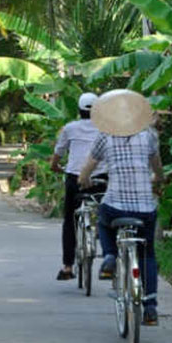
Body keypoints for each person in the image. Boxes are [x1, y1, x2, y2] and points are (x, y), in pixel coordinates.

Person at [78, 89, 164, 326]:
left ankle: (109, 256)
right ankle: (150, 308)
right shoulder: (149, 135)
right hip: (145, 209)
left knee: (103, 221)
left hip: (115, 205)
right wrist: (158, 179)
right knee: (148, 254)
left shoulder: (105, 136)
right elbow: (157, 167)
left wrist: (83, 180)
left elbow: (88, 166)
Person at [50, 92, 108, 281]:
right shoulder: (105, 129)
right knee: (107, 216)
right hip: (100, 179)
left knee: (70, 220)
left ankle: (67, 266)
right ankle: (111, 257)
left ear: (79, 110)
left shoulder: (70, 128)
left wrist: (56, 167)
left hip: (75, 179)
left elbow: (58, 154)